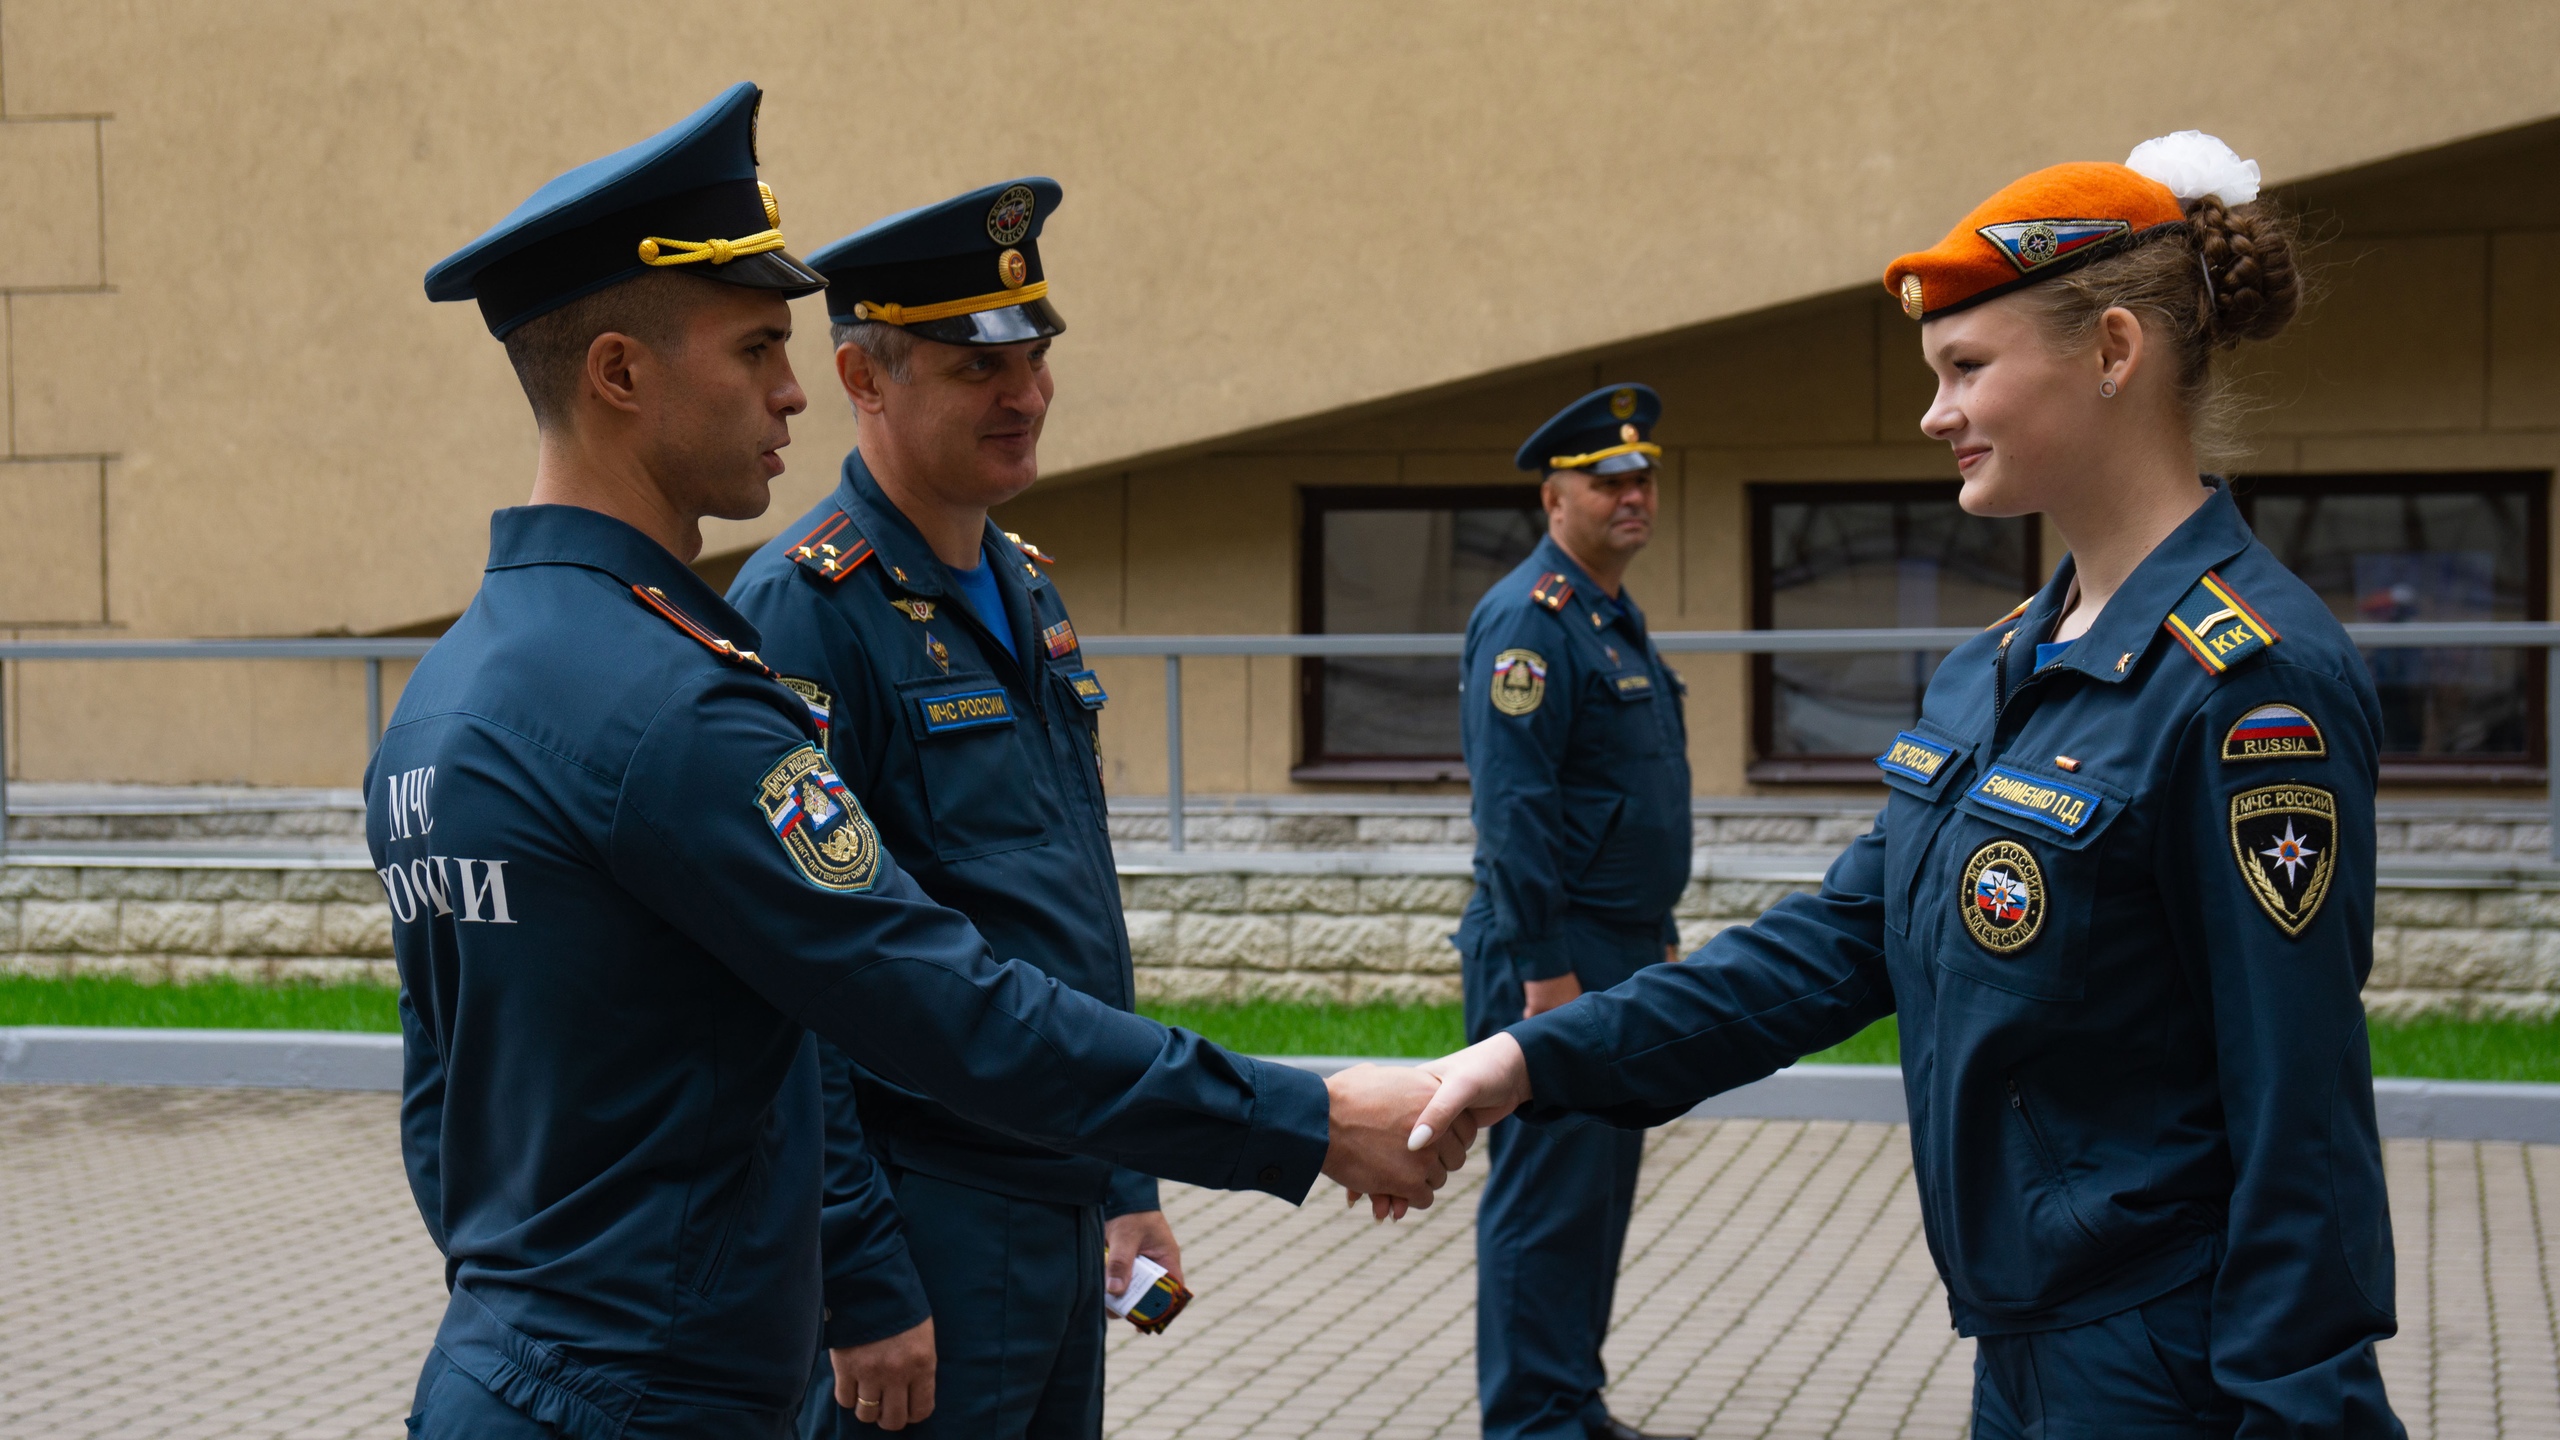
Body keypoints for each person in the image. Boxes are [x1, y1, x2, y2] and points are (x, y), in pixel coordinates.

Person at [384, 82, 1467, 1440]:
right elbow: (925, 994)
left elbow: (441, 1095)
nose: (792, 387)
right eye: (760, 348)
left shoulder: (448, 696)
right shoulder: (672, 701)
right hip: (654, 1391)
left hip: (520, 1365)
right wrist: (1301, 1117)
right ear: (619, 373)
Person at [1411, 131, 2405, 1438]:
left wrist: (2299, 1409)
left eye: (1965, 370)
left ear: (2115, 351)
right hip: (2022, 1340)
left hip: (2172, 1364)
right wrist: (1534, 1058)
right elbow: (1832, 949)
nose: (1934, 414)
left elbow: (2301, 1105)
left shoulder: (2246, 682)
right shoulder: (1994, 668)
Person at [722, 177, 1171, 1439]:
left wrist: (1125, 1169)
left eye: (1034, 357)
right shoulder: (805, 611)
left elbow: (1068, 909)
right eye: (980, 368)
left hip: (1062, 1191)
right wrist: (859, 1271)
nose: (1024, 394)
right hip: (931, 1220)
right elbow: (791, 980)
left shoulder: (1021, 586)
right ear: (865, 379)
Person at [1456, 384, 1693, 1440]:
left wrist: (1657, 933)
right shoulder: (1527, 621)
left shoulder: (1604, 610)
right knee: (1548, 1187)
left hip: (1621, 944)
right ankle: (1531, 1417)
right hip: (1552, 956)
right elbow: (1515, 808)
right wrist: (1544, 970)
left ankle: (1570, 1400)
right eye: (1610, 482)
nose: (1634, 495)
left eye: (1643, 478)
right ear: (1557, 498)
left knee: (1595, 1189)